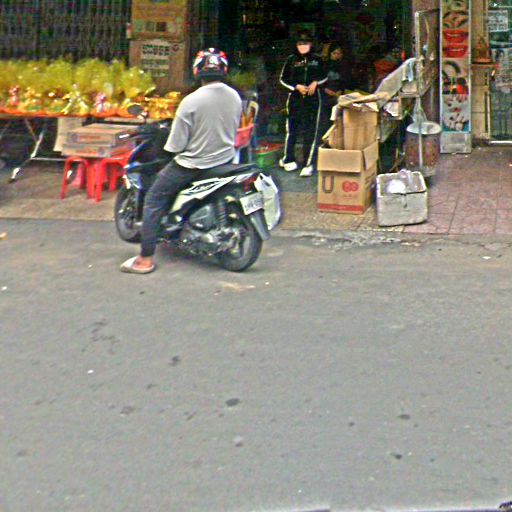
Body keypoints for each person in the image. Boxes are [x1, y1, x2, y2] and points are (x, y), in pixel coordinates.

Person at [120, 48, 242, 274]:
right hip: (225, 159)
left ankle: (145, 259)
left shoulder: (191, 101)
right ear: (224, 70)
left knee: (154, 199)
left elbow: (175, 145)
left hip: (192, 164)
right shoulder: (235, 97)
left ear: (197, 71)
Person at [279, 30, 327, 177]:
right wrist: (296, 87)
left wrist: (316, 83)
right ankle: (288, 159)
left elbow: (325, 76)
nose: (303, 46)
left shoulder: (318, 60)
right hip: (295, 99)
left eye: (305, 43)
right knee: (292, 129)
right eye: (300, 43)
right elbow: (282, 79)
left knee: (310, 131)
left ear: (311, 44)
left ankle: (308, 163)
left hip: (313, 99)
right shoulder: (291, 60)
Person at [321, 43, 354, 133]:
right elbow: (320, 81)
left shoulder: (344, 66)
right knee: (325, 119)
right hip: (326, 95)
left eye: (339, 53)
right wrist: (326, 90)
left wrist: (340, 90)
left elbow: (347, 81)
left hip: (339, 94)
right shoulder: (324, 66)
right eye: (334, 53)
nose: (336, 56)